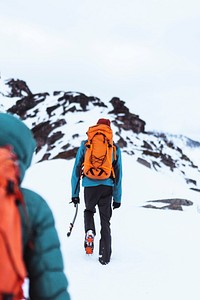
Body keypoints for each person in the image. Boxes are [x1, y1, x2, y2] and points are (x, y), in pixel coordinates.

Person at [0, 113, 70, 300]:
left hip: (89, 185)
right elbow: (50, 287)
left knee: (89, 212)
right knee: (102, 216)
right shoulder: (30, 206)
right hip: (104, 185)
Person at [71, 118, 122, 265]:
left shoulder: (86, 144)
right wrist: (117, 198)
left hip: (89, 186)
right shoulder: (114, 147)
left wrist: (75, 194)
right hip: (107, 186)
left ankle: (89, 231)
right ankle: (105, 256)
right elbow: (119, 174)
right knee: (105, 221)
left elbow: (76, 169)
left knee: (89, 211)